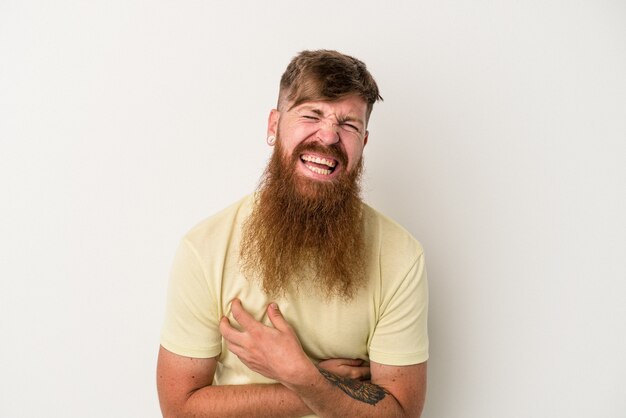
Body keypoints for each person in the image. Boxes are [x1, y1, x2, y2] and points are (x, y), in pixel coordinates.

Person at [157, 49, 428, 418]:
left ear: (363, 144)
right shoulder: (204, 249)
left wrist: (300, 375)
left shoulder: (401, 256)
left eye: (349, 125)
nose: (329, 136)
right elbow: (178, 408)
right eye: (312, 115)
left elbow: (401, 413)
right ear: (274, 125)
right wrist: (307, 385)